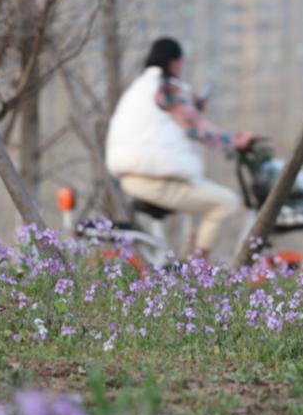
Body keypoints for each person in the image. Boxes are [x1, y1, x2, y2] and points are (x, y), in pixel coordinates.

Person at [106, 37, 256, 257]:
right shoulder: (168, 88)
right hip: (154, 179)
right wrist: (235, 143)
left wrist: (193, 104)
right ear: (174, 62)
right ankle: (196, 269)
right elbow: (195, 127)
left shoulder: (139, 88)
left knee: (199, 204)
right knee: (225, 203)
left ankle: (186, 261)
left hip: (132, 176)